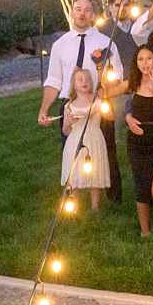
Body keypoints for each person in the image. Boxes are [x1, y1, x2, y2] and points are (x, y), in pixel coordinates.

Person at [38, 0, 115, 125]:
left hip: (98, 104)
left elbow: (117, 76)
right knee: (71, 145)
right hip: (70, 107)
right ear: (72, 14)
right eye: (78, 9)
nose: (82, 14)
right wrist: (43, 109)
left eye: (87, 10)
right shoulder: (59, 45)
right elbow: (54, 80)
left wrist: (104, 96)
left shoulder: (106, 43)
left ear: (93, 16)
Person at [119, 44, 153, 236]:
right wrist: (127, 117)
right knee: (142, 187)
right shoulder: (132, 84)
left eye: (149, 58)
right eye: (141, 59)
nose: (145, 63)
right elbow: (107, 92)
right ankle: (145, 232)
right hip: (136, 141)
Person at [51, 68, 112, 211]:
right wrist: (69, 123)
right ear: (74, 84)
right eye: (81, 79)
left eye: (88, 79)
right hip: (75, 140)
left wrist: (101, 102)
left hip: (94, 139)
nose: (85, 82)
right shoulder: (69, 106)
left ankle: (95, 207)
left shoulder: (96, 102)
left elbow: (109, 115)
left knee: (94, 173)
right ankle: (74, 206)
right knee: (75, 173)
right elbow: (66, 131)